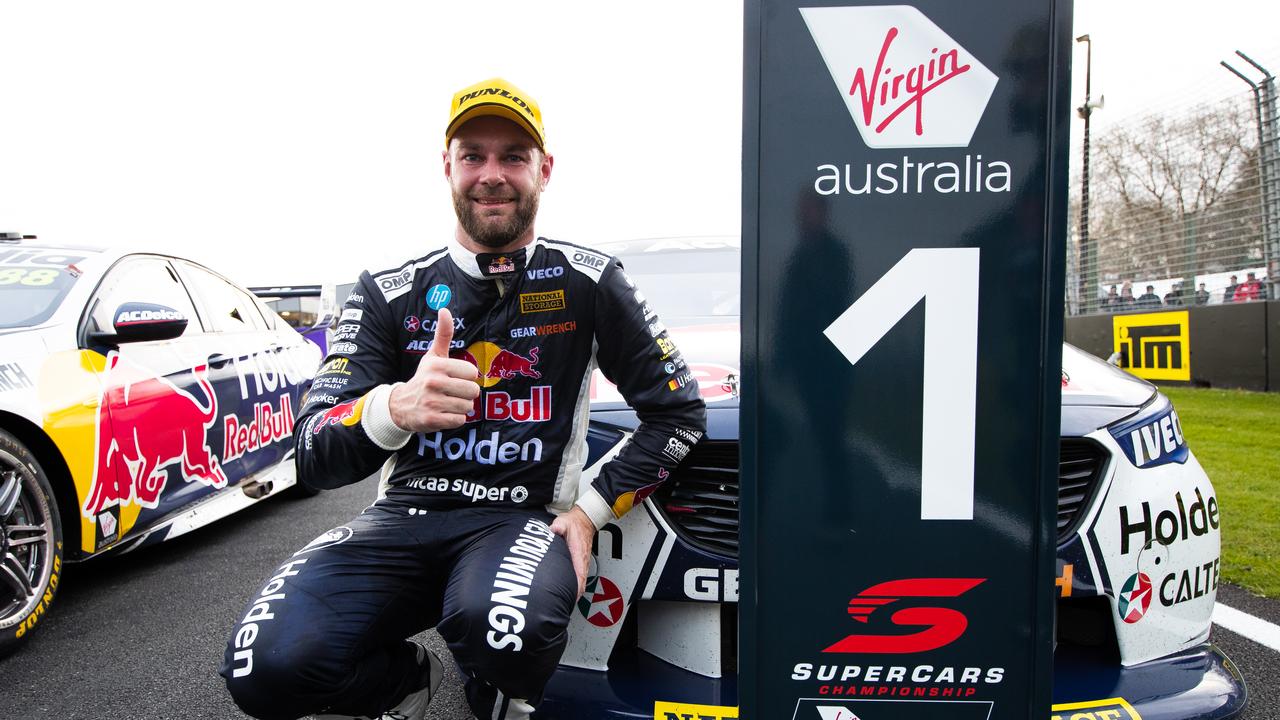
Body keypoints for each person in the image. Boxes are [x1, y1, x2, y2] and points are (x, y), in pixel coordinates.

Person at [219, 78, 707, 720]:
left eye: (513, 157)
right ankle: (406, 681)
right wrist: (392, 409)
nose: (492, 175)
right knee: (261, 668)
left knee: (501, 629)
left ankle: (495, 696)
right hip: (402, 520)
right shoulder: (388, 291)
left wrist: (591, 510)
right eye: (473, 154)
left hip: (519, 520)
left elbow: (677, 413)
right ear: (446, 165)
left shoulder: (589, 280)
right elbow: (313, 453)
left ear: (544, 170)